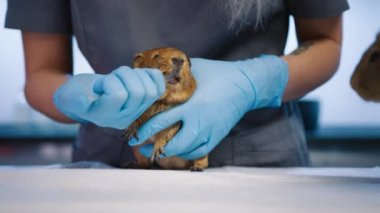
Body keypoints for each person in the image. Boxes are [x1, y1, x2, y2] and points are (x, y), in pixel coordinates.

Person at [5, 0, 349, 167]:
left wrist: (254, 82)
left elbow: (326, 44)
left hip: (258, 157)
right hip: (113, 160)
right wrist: (80, 100)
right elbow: (41, 74)